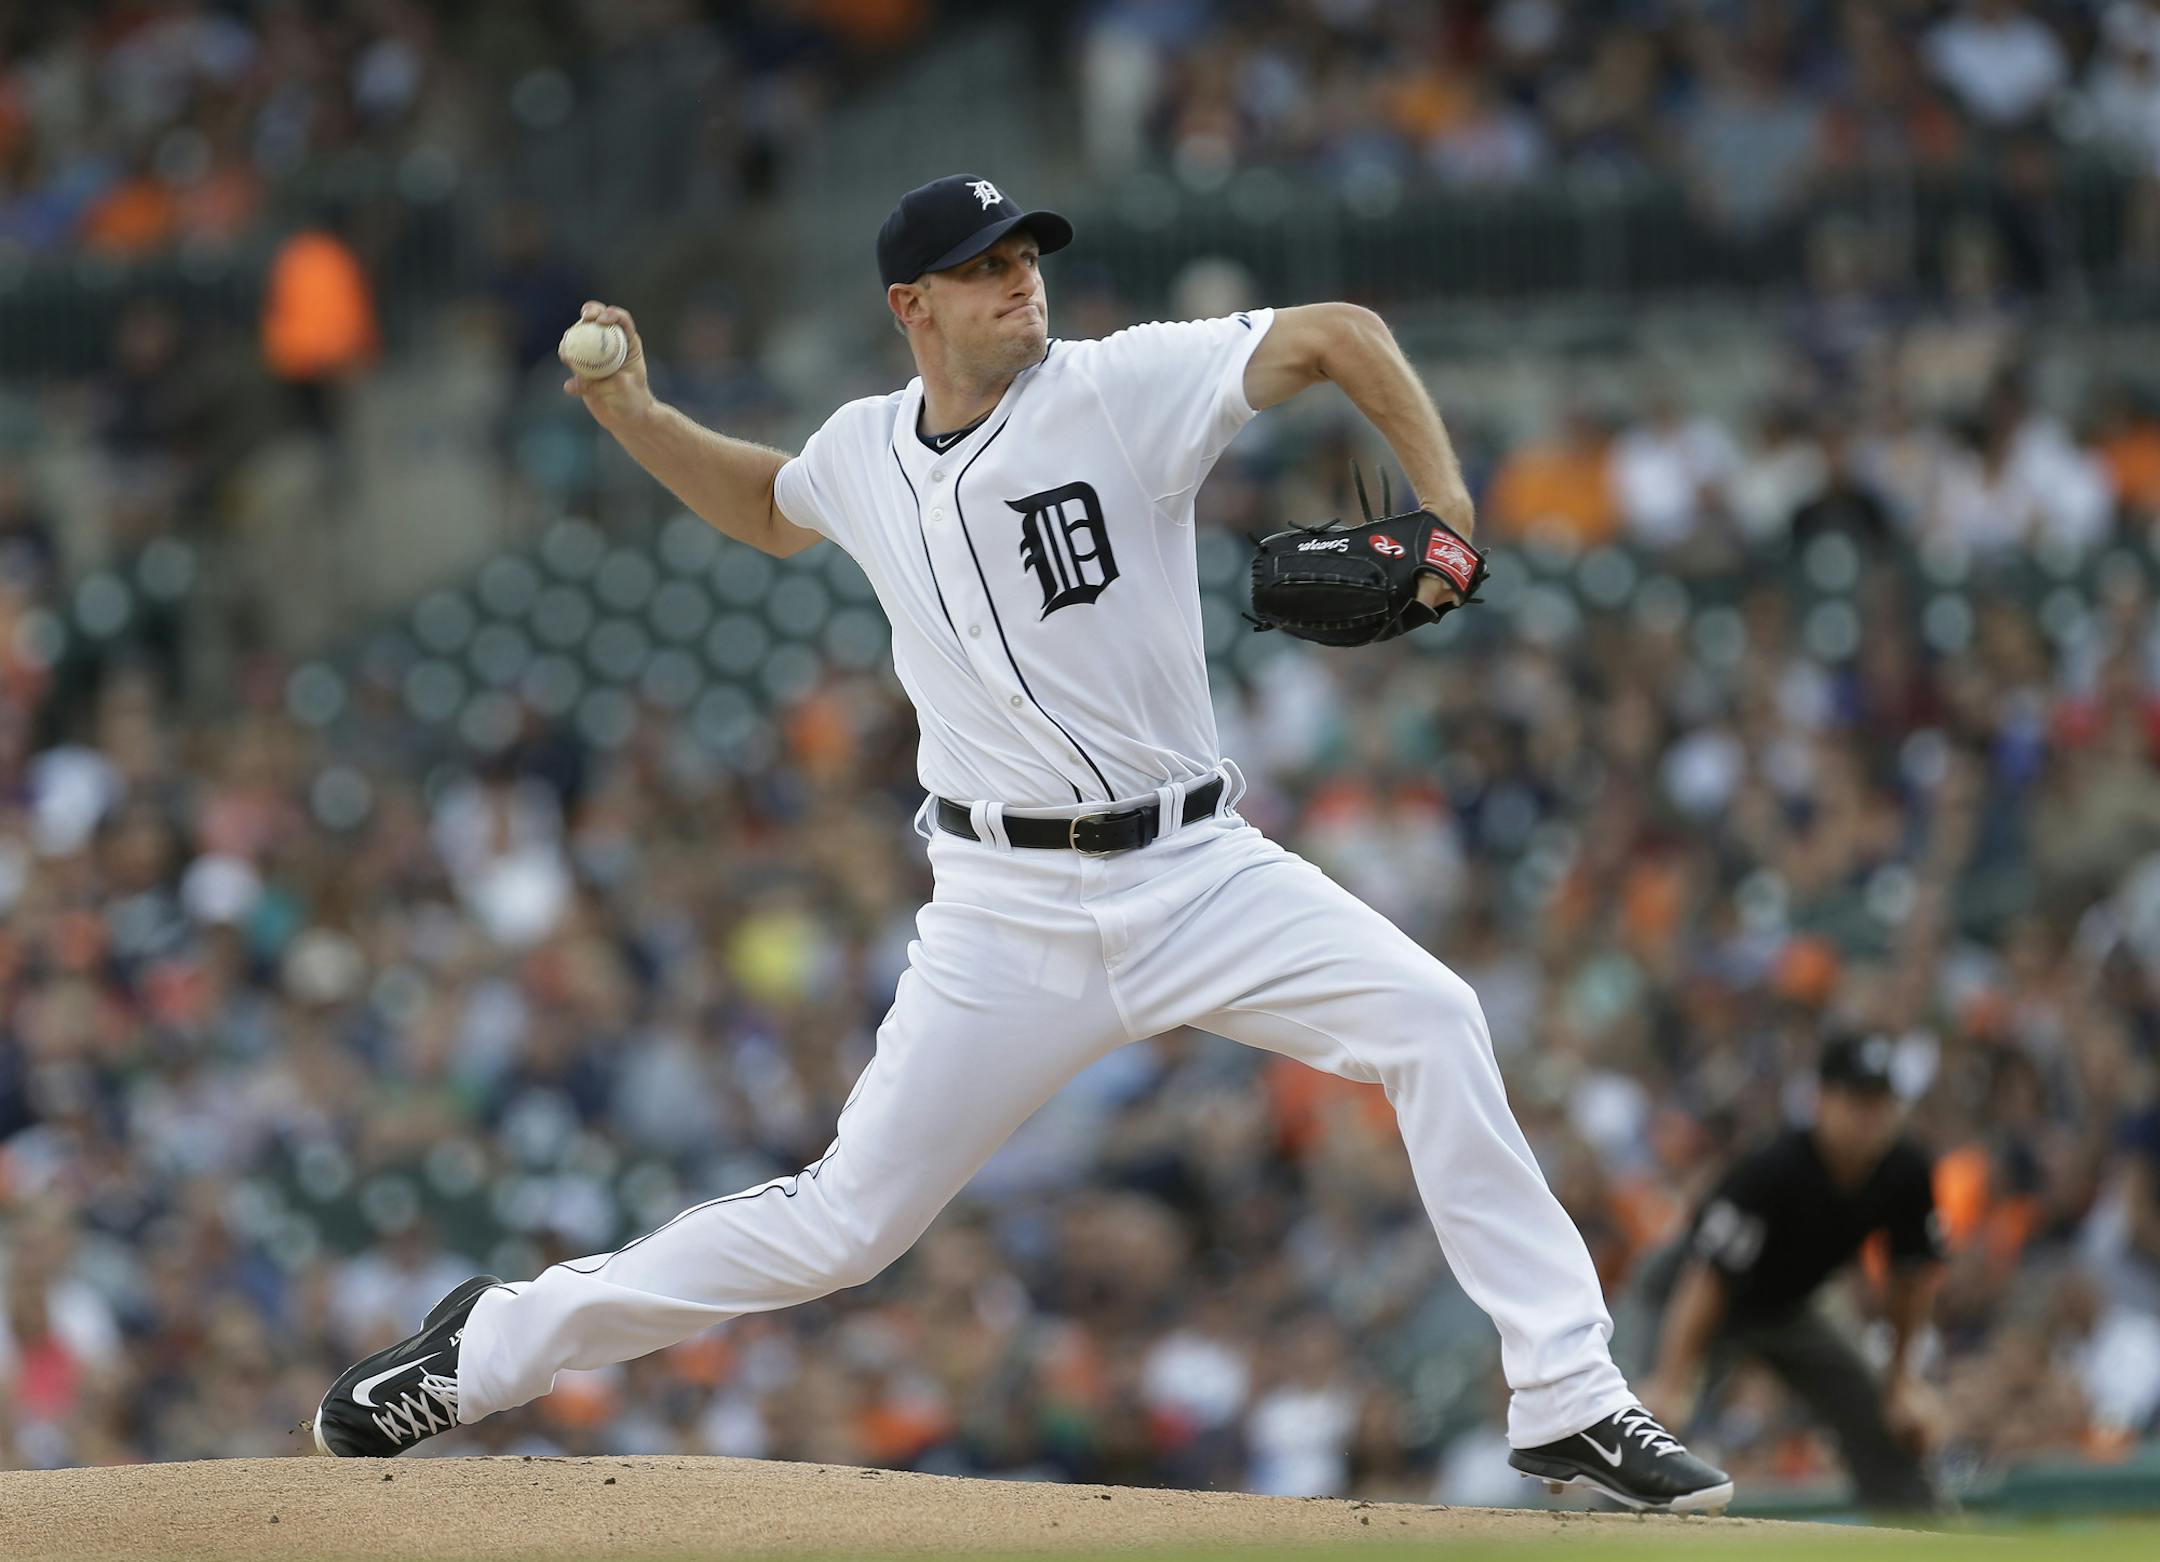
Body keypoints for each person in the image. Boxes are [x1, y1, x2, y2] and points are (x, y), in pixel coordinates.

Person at [311, 174, 1731, 1513]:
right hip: (1002, 909)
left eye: (1025, 259)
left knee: (1433, 1016)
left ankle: (1567, 1390)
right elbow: (765, 506)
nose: (1017, 284)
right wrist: (631, 411)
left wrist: (1453, 507)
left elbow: (1340, 338)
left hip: (1197, 872)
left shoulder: (1119, 389)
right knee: (844, 1227)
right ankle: (485, 1348)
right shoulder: (866, 449)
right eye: (980, 270)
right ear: (908, 306)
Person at [1635, 1034, 1944, 1513]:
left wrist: (1901, 1381)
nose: (1871, 1116)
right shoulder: (1774, 1169)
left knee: (1882, 1417)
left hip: (1792, 1305)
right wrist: (1674, 1379)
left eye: (1881, 1102)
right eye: (1857, 1100)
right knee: (1645, 1425)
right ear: (1821, 1099)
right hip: (1689, 1298)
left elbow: (1910, 1276)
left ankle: (1924, 1532)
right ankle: (1597, 1534)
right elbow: (1707, 1277)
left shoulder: (1905, 1171)